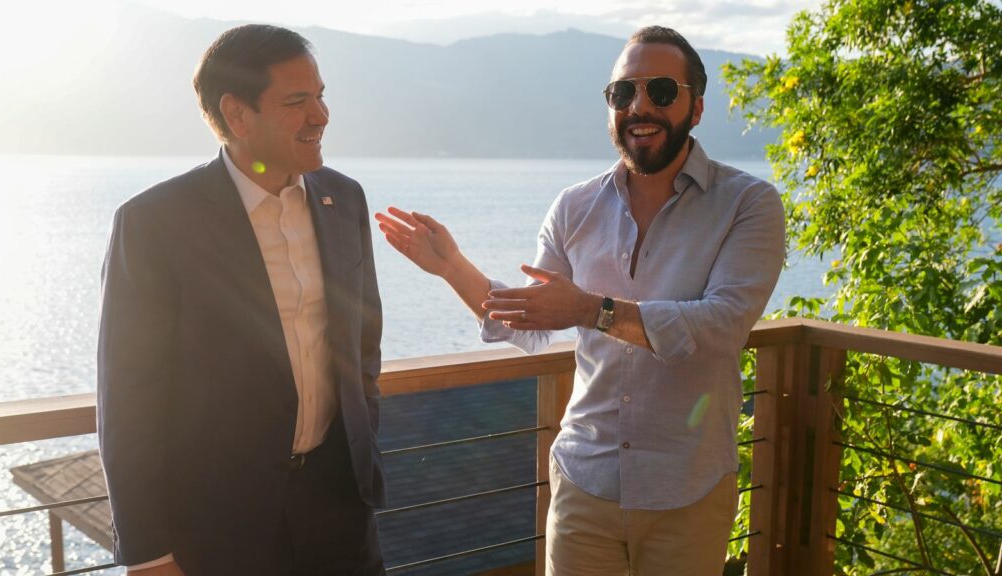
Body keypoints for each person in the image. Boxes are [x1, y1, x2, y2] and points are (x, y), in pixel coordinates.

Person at [375, 26, 785, 576]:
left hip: (687, 490)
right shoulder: (574, 207)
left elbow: (721, 327)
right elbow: (531, 323)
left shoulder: (748, 204)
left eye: (661, 91)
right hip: (584, 483)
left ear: (697, 107)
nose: (640, 105)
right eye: (623, 92)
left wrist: (593, 310)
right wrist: (451, 266)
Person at [98, 24, 385, 576]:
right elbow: (128, 400)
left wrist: (361, 450)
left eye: (321, 95)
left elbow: (361, 345)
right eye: (297, 101)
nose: (321, 115)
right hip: (218, 529)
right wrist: (148, 554)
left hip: (341, 513)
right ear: (237, 114)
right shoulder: (154, 223)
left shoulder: (342, 199)